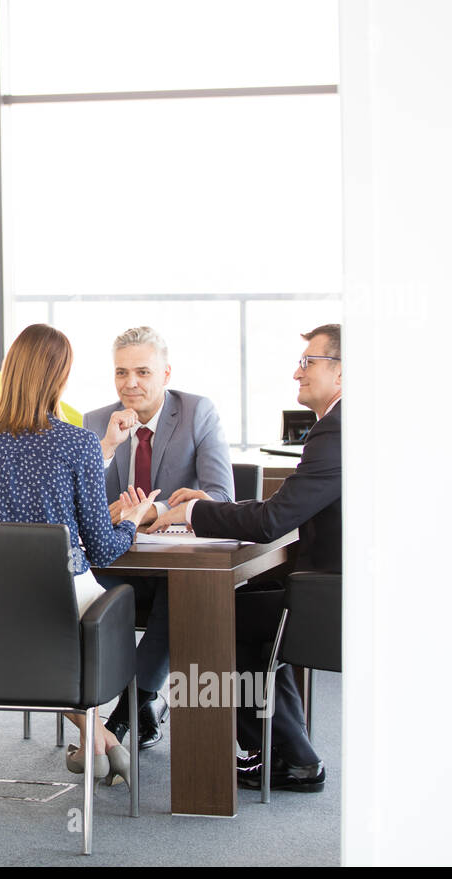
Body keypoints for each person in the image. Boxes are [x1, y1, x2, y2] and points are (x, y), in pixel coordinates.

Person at [147, 323, 342, 792]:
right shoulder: (338, 427)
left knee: (212, 612)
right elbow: (281, 512)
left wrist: (194, 513)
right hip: (326, 583)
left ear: (341, 372)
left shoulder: (336, 431)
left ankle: (276, 757)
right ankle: (287, 754)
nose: (297, 373)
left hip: (332, 595)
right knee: (241, 604)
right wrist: (210, 507)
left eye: (307, 362)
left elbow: (274, 520)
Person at [0, 324, 156, 783]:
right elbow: (102, 549)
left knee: (38, 646)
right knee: (90, 621)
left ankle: (96, 742)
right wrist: (133, 520)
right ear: (60, 378)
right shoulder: (75, 442)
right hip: (62, 606)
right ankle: (102, 736)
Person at [83, 327, 234, 749]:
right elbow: (83, 503)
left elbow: (222, 496)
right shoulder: (97, 422)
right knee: (71, 587)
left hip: (175, 567)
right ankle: (143, 702)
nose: (130, 383)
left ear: (165, 373)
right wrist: (108, 451)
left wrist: (158, 510)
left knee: (181, 592)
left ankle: (126, 711)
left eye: (143, 372)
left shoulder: (196, 412)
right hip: (118, 563)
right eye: (121, 372)